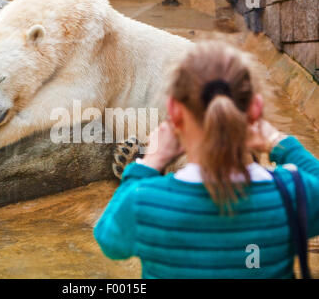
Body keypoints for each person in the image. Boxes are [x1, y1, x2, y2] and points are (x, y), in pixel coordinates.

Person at [93, 41, 319, 278]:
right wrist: (279, 142)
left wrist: (148, 164)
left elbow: (109, 240)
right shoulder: (291, 192)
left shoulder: (144, 201)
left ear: (174, 111)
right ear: (255, 109)